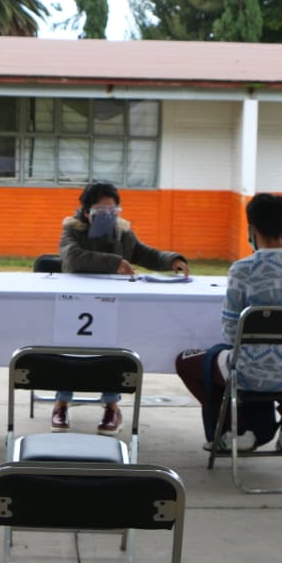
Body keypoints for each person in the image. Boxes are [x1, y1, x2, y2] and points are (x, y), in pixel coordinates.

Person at [175, 193, 282, 452]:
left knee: (188, 361)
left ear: (251, 230)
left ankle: (238, 430)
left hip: (252, 375)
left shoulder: (243, 269)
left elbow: (232, 331)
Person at [54, 180, 190, 434]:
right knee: (70, 349)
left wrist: (171, 259)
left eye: (112, 210)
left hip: (111, 303)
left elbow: (143, 253)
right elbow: (72, 257)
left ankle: (112, 408)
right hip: (77, 302)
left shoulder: (122, 232)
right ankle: (61, 403)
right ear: (87, 211)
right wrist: (114, 262)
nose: (108, 215)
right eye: (101, 210)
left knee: (113, 351)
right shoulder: (72, 229)